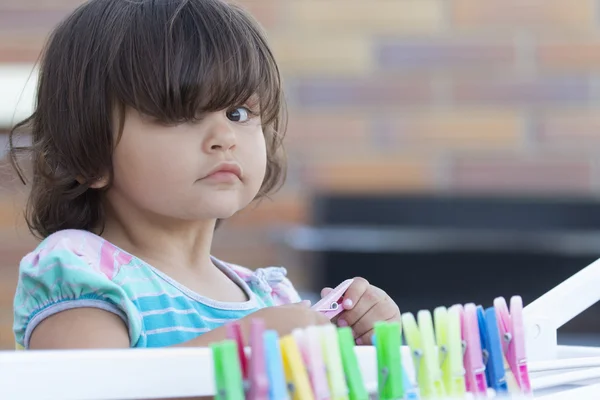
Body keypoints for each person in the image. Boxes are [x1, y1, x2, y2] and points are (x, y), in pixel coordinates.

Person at [10, 0, 401, 352]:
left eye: (238, 113)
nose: (223, 137)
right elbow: (92, 389)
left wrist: (359, 349)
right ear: (88, 154)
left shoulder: (271, 297)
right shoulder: (80, 273)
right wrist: (248, 343)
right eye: (178, 114)